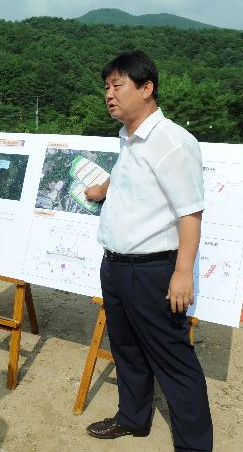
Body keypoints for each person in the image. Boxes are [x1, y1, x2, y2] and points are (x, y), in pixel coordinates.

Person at [83, 50, 213, 451]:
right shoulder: (128, 137)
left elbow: (190, 212)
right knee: (125, 348)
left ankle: (193, 446)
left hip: (155, 270)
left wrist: (182, 273)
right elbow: (133, 187)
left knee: (174, 361)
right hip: (117, 267)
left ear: (146, 88)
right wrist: (101, 191)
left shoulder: (172, 141)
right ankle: (133, 418)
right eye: (106, 86)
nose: (109, 94)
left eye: (118, 85)